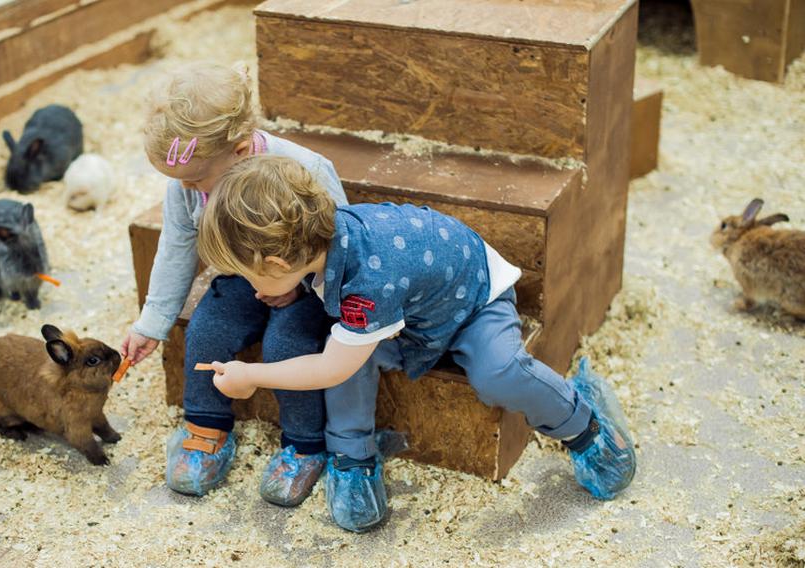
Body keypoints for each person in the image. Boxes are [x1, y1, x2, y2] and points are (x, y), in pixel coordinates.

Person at [197, 155, 637, 532]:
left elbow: (332, 368)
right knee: (350, 347)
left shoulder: (368, 279)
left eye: (249, 274)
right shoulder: (328, 236)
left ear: (277, 262)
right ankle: (352, 457)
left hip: (473, 302)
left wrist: (251, 375)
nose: (250, 287)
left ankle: (584, 425)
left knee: (496, 373)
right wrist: (291, 287)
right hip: (412, 316)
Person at [121, 62, 348, 507]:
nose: (185, 188)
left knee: (288, 344)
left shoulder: (307, 170)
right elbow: (176, 247)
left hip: (304, 281)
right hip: (239, 276)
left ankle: (305, 446)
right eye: (179, 181)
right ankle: (206, 427)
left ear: (242, 149)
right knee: (207, 330)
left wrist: (299, 283)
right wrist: (153, 322)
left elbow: (341, 241)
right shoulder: (188, 184)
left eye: (193, 179)